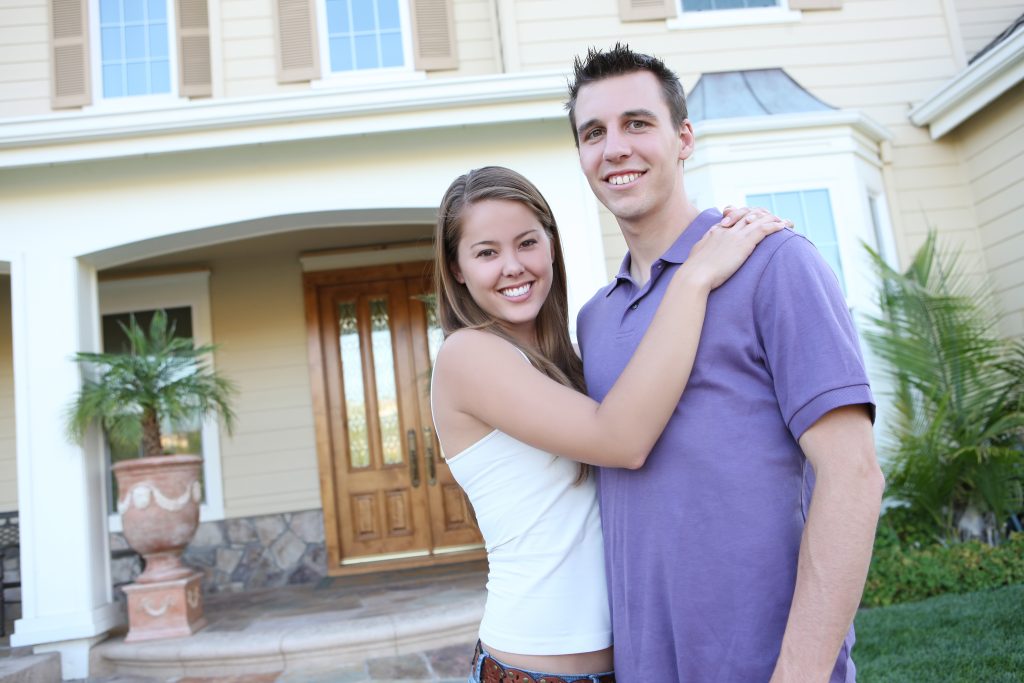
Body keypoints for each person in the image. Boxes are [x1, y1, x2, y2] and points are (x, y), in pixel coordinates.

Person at [567, 44, 886, 682]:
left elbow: (853, 475)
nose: (615, 148)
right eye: (593, 133)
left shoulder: (774, 262)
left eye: (637, 123)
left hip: (761, 664)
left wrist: (798, 675)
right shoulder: (595, 319)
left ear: (683, 138)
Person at [430, 165, 788, 683]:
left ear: (550, 246)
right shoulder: (467, 357)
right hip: (533, 671)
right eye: (486, 252)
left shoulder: (567, 361)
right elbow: (621, 439)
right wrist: (693, 277)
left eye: (527, 243)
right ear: (458, 269)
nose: (512, 266)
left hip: (631, 662)